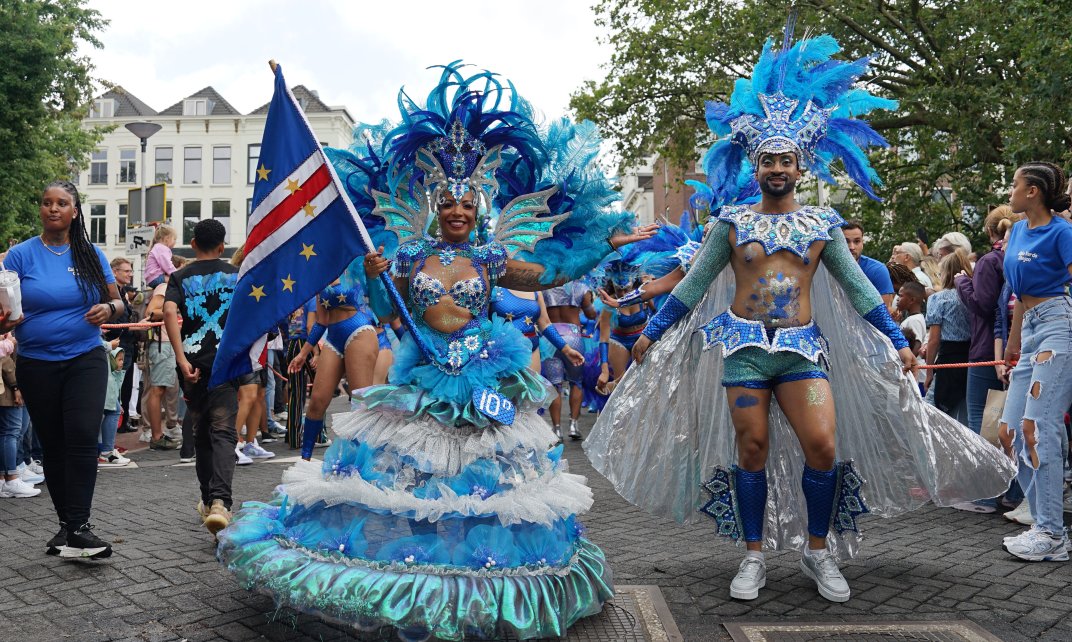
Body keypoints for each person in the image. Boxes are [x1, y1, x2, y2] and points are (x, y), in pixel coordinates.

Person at [217, 63, 655, 638]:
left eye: (466, 205)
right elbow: (385, 302)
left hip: (483, 375)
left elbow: (550, 269)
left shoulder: (494, 259)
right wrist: (375, 271)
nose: (456, 212)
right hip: (422, 372)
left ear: (478, 210)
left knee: (483, 480)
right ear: (434, 205)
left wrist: (606, 243)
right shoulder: (406, 253)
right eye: (448, 203)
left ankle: (480, 568)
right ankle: (408, 562)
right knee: (409, 478)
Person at [584, 30, 1014, 605]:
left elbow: (858, 287)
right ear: (756, 165)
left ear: (800, 164)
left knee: (822, 446)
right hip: (742, 350)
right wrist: (653, 332)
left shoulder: (821, 226)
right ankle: (753, 556)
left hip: (802, 351)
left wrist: (897, 341)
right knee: (752, 448)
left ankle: (818, 549)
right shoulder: (731, 223)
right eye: (769, 160)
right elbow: (693, 285)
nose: (778, 168)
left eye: (787, 160)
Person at [0, 179, 124, 558]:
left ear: (74, 211)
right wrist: (4, 321)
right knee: (51, 445)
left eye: (62, 203)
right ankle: (68, 525)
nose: (53, 209)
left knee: (84, 437)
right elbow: (5, 310)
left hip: (85, 357)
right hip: (37, 362)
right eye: (46, 203)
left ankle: (80, 525)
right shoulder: (19, 256)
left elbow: (120, 304)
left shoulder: (90, 254)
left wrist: (108, 309)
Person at [997, 161, 1072, 562]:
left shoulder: (1063, 233)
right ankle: (1042, 521)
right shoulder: (1019, 230)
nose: (1009, 191)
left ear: (1033, 192)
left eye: (1014, 185)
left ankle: (1052, 533)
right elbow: (1017, 294)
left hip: (1060, 326)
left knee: (1038, 428)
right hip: (1029, 333)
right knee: (1009, 430)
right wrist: (1013, 344)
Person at [163, 219, 239, 537]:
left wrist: (181, 359)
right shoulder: (236, 276)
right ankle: (220, 502)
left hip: (192, 366)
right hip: (225, 363)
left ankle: (209, 501)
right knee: (224, 432)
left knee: (202, 433)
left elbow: (168, 311)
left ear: (193, 245)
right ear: (222, 247)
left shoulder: (179, 276)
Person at [286, 272, 379, 460]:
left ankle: (360, 461)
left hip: (359, 331)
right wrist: (303, 354)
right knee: (317, 402)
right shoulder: (321, 273)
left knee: (359, 402)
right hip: (333, 337)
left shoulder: (353, 265)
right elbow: (321, 321)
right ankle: (305, 460)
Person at [956, 207, 1016, 436]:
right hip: (1015, 348)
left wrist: (962, 282)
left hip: (986, 348)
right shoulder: (1020, 260)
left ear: (990, 230)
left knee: (979, 417)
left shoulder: (989, 261)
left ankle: (985, 470)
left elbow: (982, 304)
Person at [0, 345, 38, 498]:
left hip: (9, 385)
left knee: (10, 432)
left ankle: (5, 478)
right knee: (11, 432)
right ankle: (12, 478)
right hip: (8, 388)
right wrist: (16, 385)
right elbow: (6, 360)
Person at [843, 221, 895, 314]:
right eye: (846, 241)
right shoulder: (825, 269)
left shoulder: (877, 270)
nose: (852, 247)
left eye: (857, 241)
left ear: (862, 243)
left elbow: (884, 312)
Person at [98, 343, 131, 467]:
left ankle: (105, 451)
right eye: (119, 359)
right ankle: (107, 452)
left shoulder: (115, 373)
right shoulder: (109, 374)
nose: (122, 362)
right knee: (113, 412)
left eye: (122, 359)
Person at [895, 281, 927, 395]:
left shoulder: (915, 320)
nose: (897, 299)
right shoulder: (912, 319)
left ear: (912, 300)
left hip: (914, 373)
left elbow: (917, 343)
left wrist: (909, 361)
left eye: (901, 296)